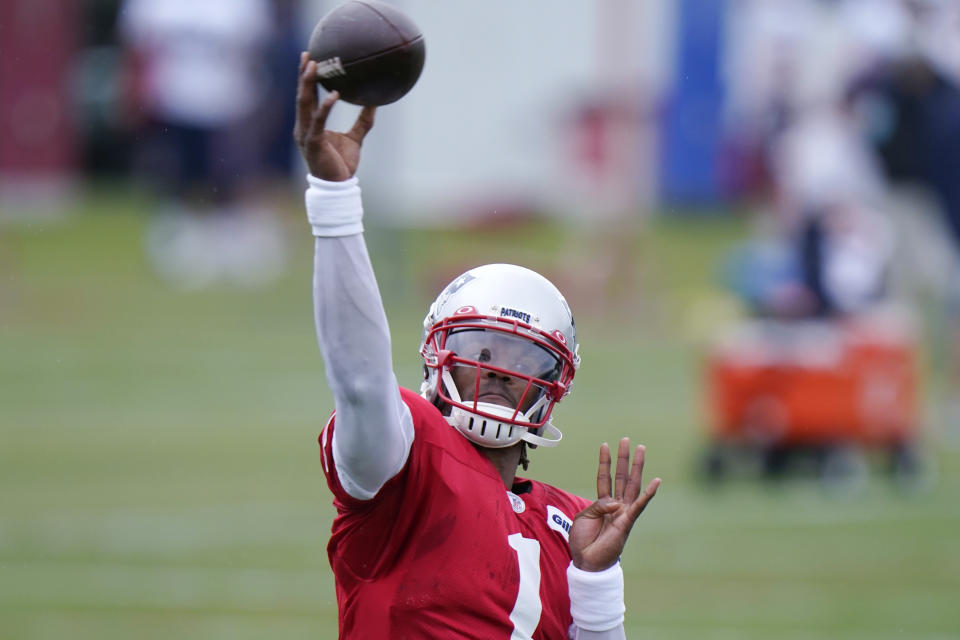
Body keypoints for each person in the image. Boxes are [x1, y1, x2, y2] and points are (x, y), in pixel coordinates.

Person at [294, 53, 661, 639]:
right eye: (480, 351)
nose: (496, 372)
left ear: (552, 385)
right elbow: (360, 382)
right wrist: (335, 199)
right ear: (438, 358)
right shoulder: (403, 460)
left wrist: (596, 582)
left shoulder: (571, 523)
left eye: (522, 359)